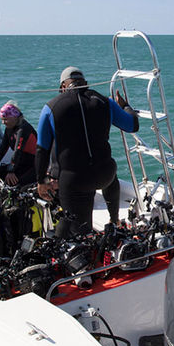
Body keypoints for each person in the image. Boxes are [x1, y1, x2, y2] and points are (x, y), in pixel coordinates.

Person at [35, 66, 139, 236]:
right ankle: (115, 220)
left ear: (62, 87)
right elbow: (132, 125)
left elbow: (41, 149)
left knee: (78, 232)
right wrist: (125, 106)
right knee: (110, 172)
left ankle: (78, 247)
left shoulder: (51, 107)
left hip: (75, 181)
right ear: (85, 83)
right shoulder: (106, 102)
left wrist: (41, 181)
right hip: (105, 175)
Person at [0, 101, 37, 187]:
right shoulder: (9, 129)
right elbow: (3, 149)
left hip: (34, 164)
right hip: (21, 162)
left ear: (14, 117)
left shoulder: (23, 129)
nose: (3, 123)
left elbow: (18, 150)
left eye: (5, 119)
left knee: (15, 183)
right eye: (2, 120)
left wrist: (11, 171)